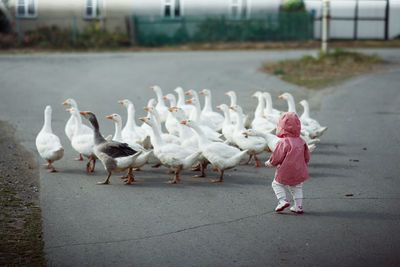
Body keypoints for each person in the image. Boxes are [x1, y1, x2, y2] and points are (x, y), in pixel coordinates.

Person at [265, 112, 310, 214]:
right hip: (299, 169)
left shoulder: (283, 142)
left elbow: (277, 156)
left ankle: (282, 201)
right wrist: (305, 162)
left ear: (280, 126)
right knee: (297, 187)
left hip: (285, 169)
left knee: (276, 184)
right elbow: (306, 156)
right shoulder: (301, 141)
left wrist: (270, 163)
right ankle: (298, 206)